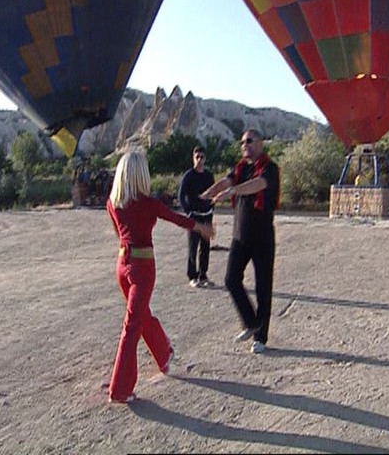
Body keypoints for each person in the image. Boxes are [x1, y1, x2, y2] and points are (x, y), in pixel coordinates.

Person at [105, 151, 213, 403]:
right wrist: (201, 227)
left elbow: (118, 234)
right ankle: (120, 390)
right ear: (142, 175)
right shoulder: (148, 203)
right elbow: (177, 219)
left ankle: (163, 354)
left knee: (140, 315)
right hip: (143, 268)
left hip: (122, 264)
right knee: (132, 326)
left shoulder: (112, 202)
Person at [200, 129, 280, 355]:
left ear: (260, 143)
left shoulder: (269, 168)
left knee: (263, 287)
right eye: (243, 142)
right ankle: (251, 321)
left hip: (263, 237)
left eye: (249, 141)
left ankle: (260, 337)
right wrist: (208, 192)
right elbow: (226, 181)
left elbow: (258, 184)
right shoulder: (240, 167)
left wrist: (233, 191)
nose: (245, 145)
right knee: (230, 279)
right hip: (240, 237)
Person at [178, 146, 215, 288]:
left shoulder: (209, 176)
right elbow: (181, 196)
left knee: (205, 247)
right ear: (193, 158)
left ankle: (203, 275)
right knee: (193, 246)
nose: (199, 160)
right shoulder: (188, 176)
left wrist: (212, 209)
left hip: (207, 216)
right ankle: (192, 276)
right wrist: (188, 213)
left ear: (205, 159)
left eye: (202, 157)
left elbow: (213, 193)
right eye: (197, 157)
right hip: (194, 217)